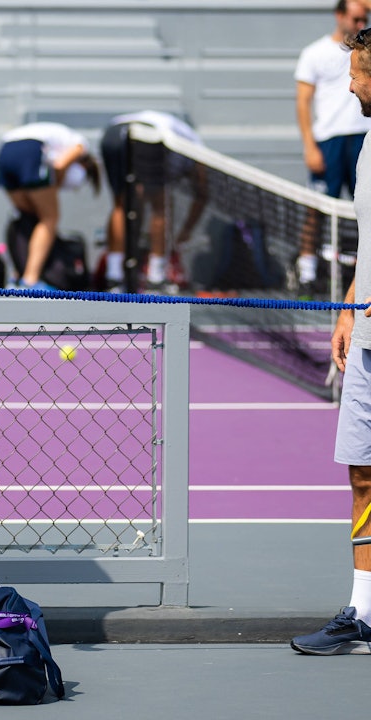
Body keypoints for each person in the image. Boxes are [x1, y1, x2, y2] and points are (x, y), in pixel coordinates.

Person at [291, 28, 371, 655]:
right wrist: (347, 307)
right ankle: (363, 611)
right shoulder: (368, 146)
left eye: (359, 73)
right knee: (364, 476)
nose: (349, 84)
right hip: (366, 338)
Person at [294, 0, 371, 296]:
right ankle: (306, 272)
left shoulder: (366, 52)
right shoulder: (314, 53)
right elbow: (303, 101)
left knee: (362, 209)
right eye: (355, 18)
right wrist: (310, 146)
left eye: (364, 18)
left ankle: (357, 277)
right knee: (317, 210)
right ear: (339, 15)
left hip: (361, 139)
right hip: (329, 141)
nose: (359, 23)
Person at [99, 110, 206, 292]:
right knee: (160, 206)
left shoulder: (179, 142)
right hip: (148, 135)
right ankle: (156, 277)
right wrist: (187, 229)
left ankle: (114, 276)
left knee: (120, 205)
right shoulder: (195, 145)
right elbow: (203, 192)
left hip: (112, 134)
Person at [0, 122, 101, 290]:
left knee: (27, 218)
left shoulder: (59, 137)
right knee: (50, 218)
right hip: (30, 150)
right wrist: (54, 185)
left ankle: (18, 275)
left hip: (5, 150)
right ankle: (30, 280)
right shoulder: (81, 145)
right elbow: (60, 165)